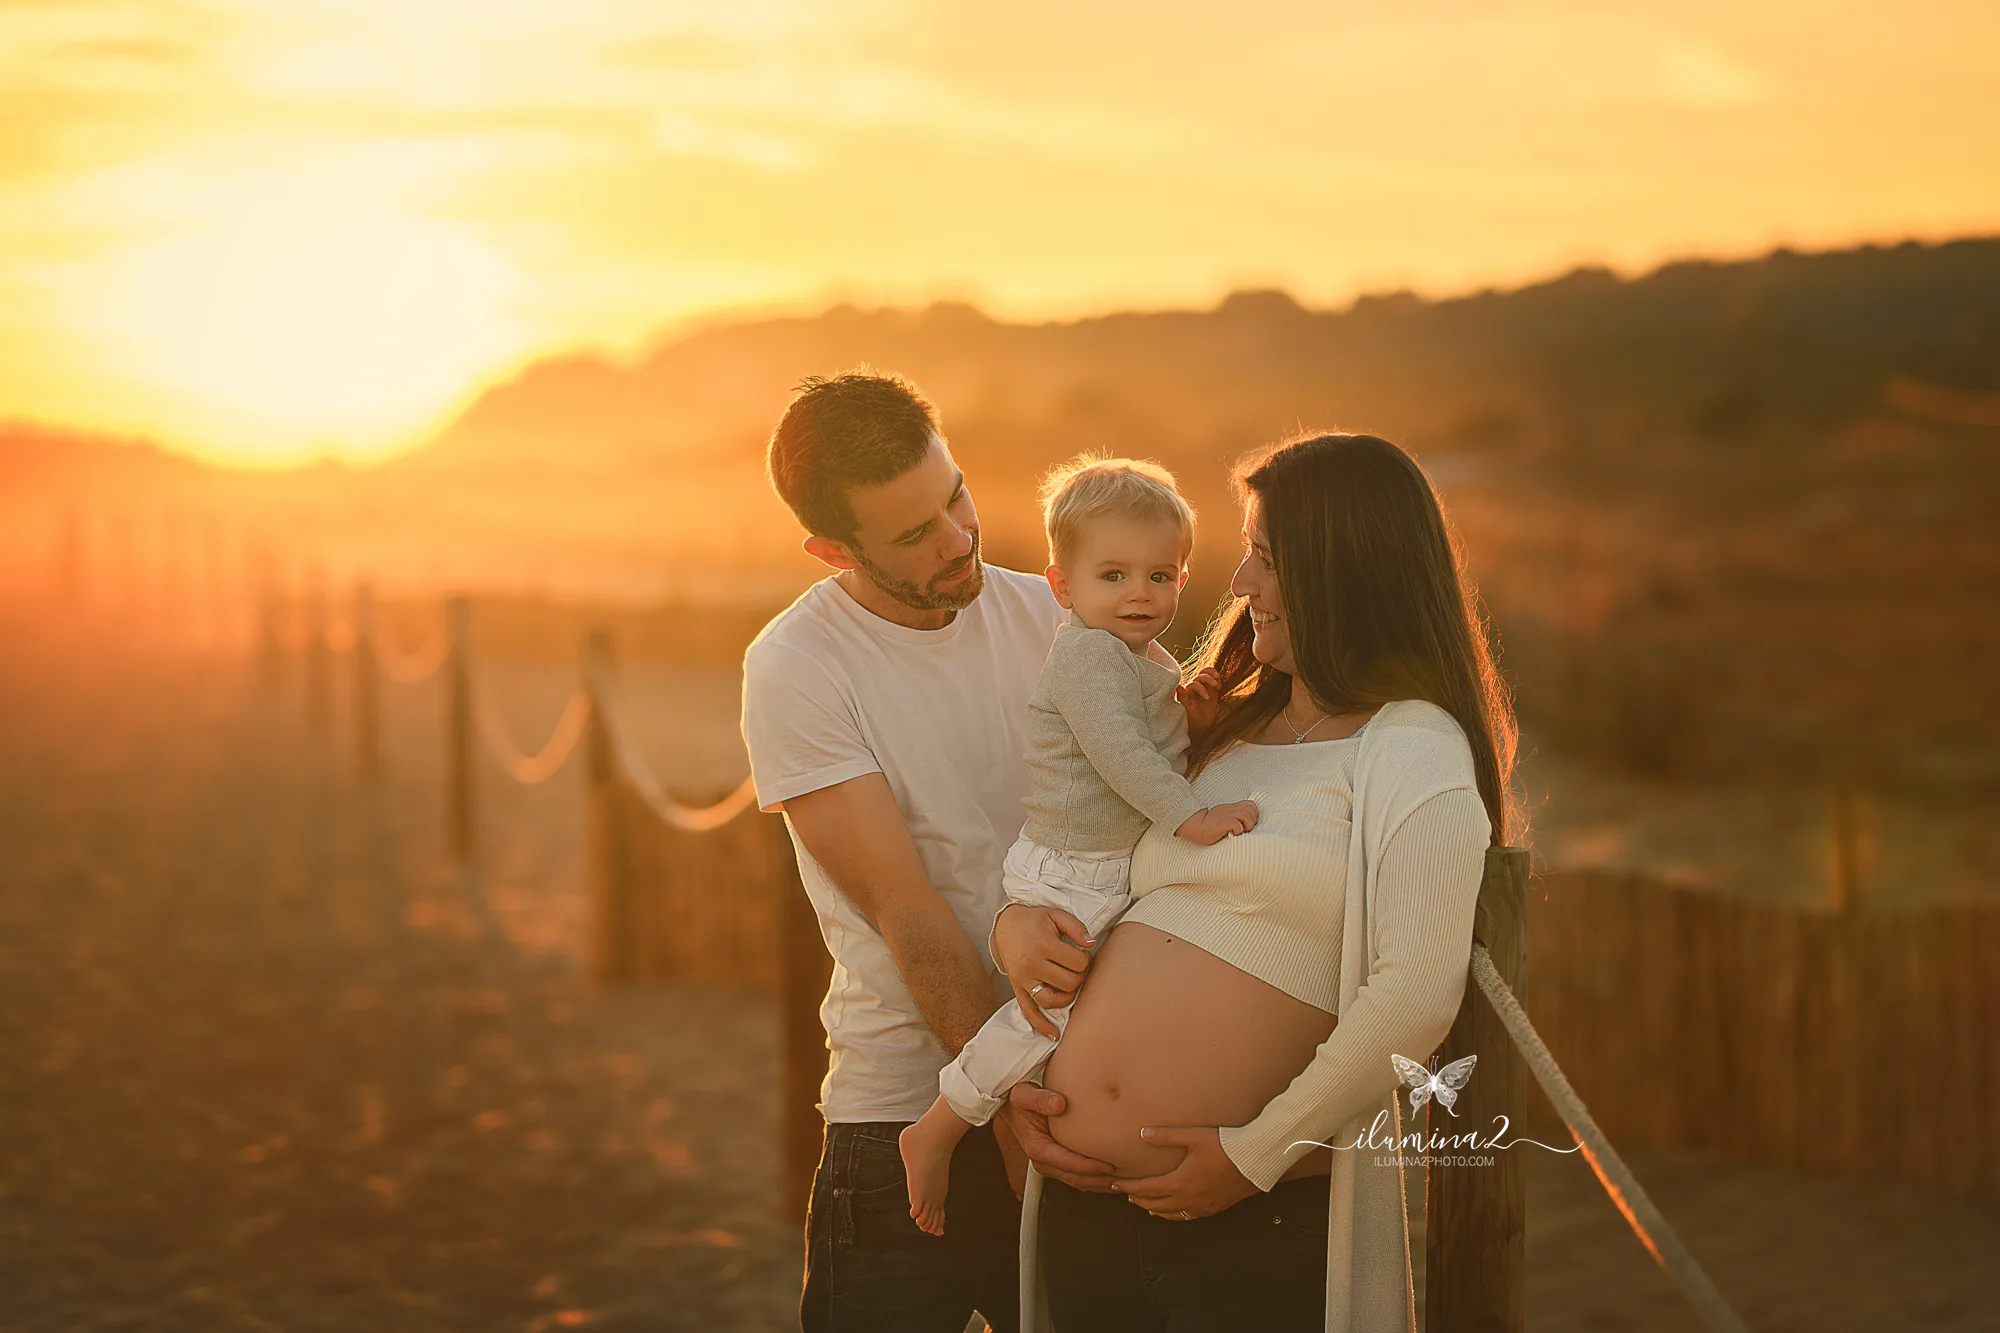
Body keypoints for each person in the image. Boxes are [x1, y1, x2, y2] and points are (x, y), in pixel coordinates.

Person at [991, 432, 1518, 1333]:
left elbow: (1416, 994)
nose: (1236, 584)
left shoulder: (1414, 745)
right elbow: (1086, 853)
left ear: (1339, 570)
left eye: (1265, 558)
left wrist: (1253, 1155)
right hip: (1083, 1204)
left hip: (1239, 1220)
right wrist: (1015, 930)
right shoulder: (1216, 729)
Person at [741, 369, 1084, 1333]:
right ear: (829, 550)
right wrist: (1007, 1104)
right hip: (898, 1115)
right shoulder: (796, 667)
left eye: (956, 497)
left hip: (1076, 1095)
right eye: (912, 534)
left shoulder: (1056, 615)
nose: (957, 539)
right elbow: (908, 907)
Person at [898, 456, 1259, 1237]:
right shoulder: (1089, 655)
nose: (1141, 593)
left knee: (1067, 1013)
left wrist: (1189, 723)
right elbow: (1123, 758)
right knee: (1047, 1019)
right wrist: (1192, 818)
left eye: (1161, 576)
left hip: (1093, 861)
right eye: (1115, 574)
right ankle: (939, 1125)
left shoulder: (1145, 659)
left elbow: (1151, 743)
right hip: (1075, 868)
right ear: (1062, 587)